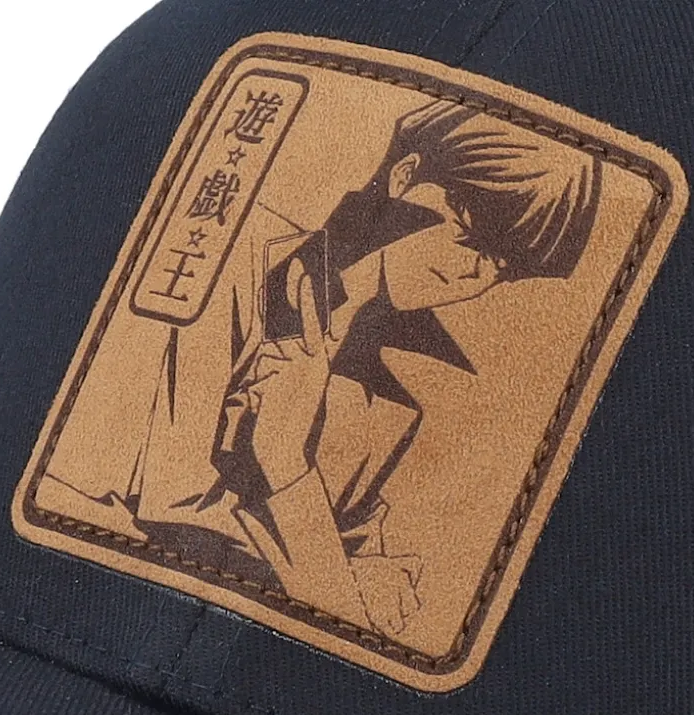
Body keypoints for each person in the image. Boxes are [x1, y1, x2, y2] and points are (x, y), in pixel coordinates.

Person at [40, 99, 603, 636]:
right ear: (405, 176)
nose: (472, 275)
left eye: (499, 266)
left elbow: (345, 603)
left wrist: (296, 481)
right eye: (466, 236)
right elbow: (179, 512)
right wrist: (333, 563)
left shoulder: (391, 408)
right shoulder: (233, 268)